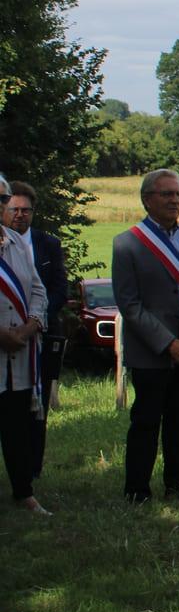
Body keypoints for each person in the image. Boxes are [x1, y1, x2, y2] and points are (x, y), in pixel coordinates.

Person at [112, 169, 179, 503]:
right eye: (166, 194)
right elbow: (130, 305)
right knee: (145, 422)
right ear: (147, 200)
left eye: (177, 194)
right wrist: (170, 344)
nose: (174, 200)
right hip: (151, 353)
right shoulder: (128, 243)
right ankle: (137, 489)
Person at [2, 182, 67, 484]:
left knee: (29, 410)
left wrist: (32, 326)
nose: (17, 214)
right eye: (11, 206)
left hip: (33, 340)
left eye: (24, 209)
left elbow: (48, 290)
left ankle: (27, 478)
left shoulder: (34, 244)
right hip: (5, 340)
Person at [0, 174, 50, 515]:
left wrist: (30, 326)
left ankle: (24, 492)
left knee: (17, 426)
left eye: (3, 199)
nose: (2, 206)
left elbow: (37, 289)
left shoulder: (15, 242)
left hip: (18, 352)